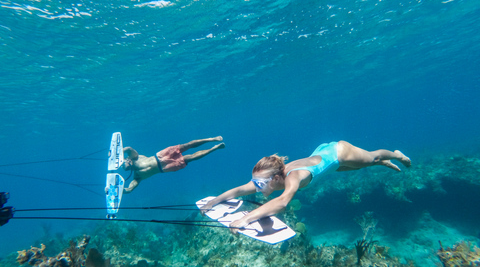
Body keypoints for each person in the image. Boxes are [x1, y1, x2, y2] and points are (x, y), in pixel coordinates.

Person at [201, 140, 410, 233]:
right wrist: (213, 201)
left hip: (339, 152)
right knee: (352, 168)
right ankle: (378, 163)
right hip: (324, 159)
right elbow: (239, 190)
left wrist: (245, 218)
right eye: (255, 182)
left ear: (275, 179)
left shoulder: (293, 178)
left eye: (260, 183)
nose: (255, 187)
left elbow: (282, 203)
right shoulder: (270, 179)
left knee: (372, 157)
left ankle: (395, 154)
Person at [122, 136, 225, 193]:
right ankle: (213, 149)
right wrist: (123, 191)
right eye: (123, 167)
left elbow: (129, 149)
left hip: (161, 155)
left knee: (187, 145)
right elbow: (130, 189)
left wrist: (120, 151)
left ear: (127, 159)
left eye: (123, 163)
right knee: (191, 158)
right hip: (165, 168)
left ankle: (210, 139)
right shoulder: (137, 176)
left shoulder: (135, 157)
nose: (123, 166)